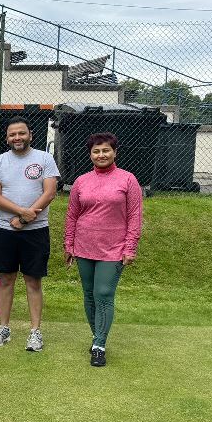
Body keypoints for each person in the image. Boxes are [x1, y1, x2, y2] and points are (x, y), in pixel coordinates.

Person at [64, 132, 142, 367]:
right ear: (90, 154)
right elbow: (72, 215)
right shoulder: (81, 181)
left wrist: (130, 247)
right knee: (89, 296)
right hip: (84, 246)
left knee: (104, 295)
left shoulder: (128, 180)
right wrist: (69, 244)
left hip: (114, 249)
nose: (101, 155)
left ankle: (99, 345)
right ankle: (98, 336)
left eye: (106, 150)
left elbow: (135, 216)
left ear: (114, 152)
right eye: (96, 151)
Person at [0, 115, 59, 351]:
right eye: (12, 134)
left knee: (33, 281)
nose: (17, 137)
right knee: (5, 279)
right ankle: (4, 328)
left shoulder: (45, 158)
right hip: (5, 231)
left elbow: (49, 193)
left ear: (30, 135)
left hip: (36, 232)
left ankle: (35, 332)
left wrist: (27, 220)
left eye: (21, 133)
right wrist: (20, 214)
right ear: (7, 138)